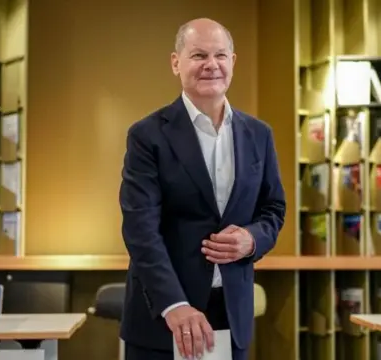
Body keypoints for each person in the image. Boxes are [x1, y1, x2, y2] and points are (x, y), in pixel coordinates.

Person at [118, 17, 286, 360]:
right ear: (176, 63)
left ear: (233, 62)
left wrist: (252, 239)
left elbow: (273, 209)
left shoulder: (259, 135)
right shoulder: (147, 136)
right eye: (198, 55)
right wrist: (174, 305)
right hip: (164, 316)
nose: (211, 65)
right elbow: (140, 229)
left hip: (231, 310)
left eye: (220, 55)